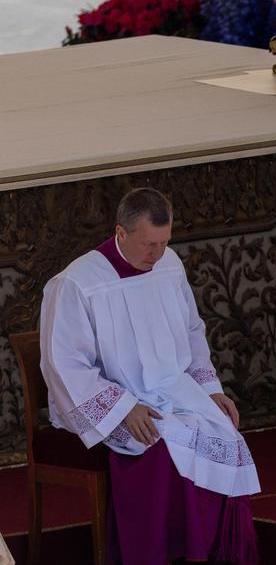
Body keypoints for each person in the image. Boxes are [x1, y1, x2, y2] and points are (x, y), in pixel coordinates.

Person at [40, 188, 259, 565]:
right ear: (120, 233)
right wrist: (124, 408)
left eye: (164, 242)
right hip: (114, 400)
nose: (156, 255)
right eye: (148, 244)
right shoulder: (77, 284)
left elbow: (192, 331)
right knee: (160, 445)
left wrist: (209, 390)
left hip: (173, 389)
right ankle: (158, 554)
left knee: (222, 429)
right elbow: (65, 365)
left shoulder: (169, 265)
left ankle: (213, 554)